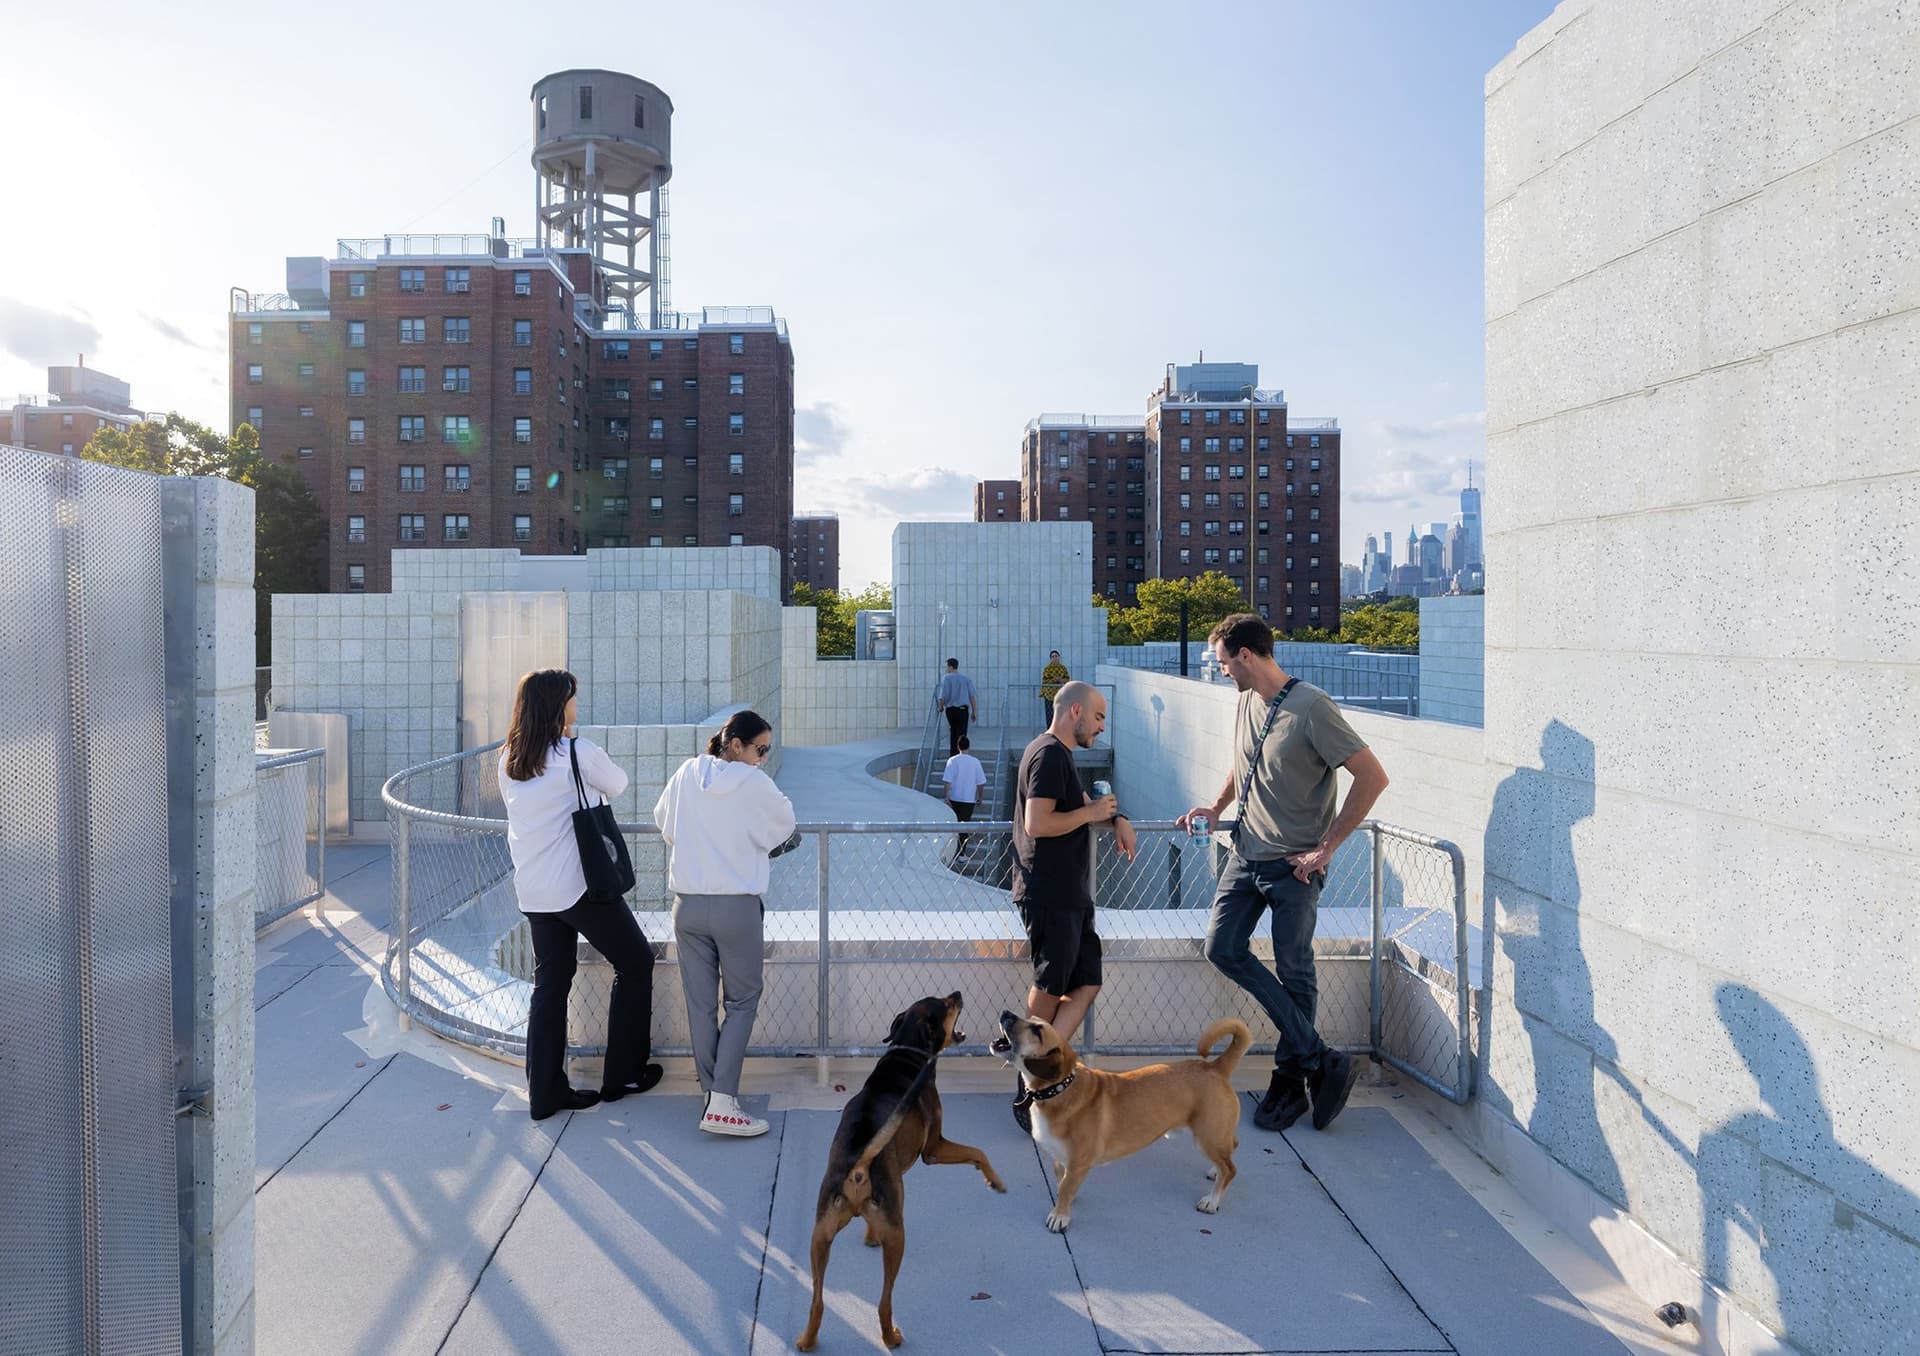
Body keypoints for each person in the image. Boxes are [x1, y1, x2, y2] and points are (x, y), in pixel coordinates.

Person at [1178, 614, 1390, 1134]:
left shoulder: (1312, 707)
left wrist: (1327, 848)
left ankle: (1291, 1076)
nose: (1223, 670)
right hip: (1246, 854)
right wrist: (1216, 805)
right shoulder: (1249, 700)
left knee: (1295, 968)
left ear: (1246, 656)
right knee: (1222, 947)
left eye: (1225, 662)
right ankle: (1319, 1055)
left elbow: (1372, 776)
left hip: (1295, 867)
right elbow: (1243, 761)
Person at [498, 669, 663, 1122]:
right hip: (581, 887)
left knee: (550, 986)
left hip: (534, 890)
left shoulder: (508, 757)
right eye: (572, 698)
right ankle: (623, 1075)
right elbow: (619, 783)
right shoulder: (577, 752)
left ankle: (545, 1093)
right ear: (558, 706)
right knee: (635, 962)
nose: (577, 704)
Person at [653, 709, 796, 1138]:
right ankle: (722, 1102)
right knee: (742, 1001)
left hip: (689, 905)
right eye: (761, 749)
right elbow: (785, 823)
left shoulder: (685, 773)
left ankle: (714, 1095)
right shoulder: (754, 783)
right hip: (736, 905)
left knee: (700, 1005)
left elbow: (665, 823)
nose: (764, 758)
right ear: (736, 744)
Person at [1009, 680, 1136, 1128]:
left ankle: (1042, 1068)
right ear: (1076, 712)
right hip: (1050, 892)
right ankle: (1028, 1084)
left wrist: (1115, 818)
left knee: (1086, 982)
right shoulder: (1047, 754)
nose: (1102, 727)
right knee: (1049, 986)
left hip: (1070, 895)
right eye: (1099, 717)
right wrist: (1094, 814)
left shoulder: (1059, 756)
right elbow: (1039, 822)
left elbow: (1085, 805)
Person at [941, 734, 987, 853]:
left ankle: (951, 851)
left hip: (954, 798)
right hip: (968, 800)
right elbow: (981, 783)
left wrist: (946, 797)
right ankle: (961, 853)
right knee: (964, 827)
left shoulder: (952, 760)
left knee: (953, 826)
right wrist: (980, 797)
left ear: (958, 746)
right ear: (969, 747)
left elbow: (947, 781)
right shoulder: (975, 762)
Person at [935, 657, 979, 757]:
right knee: (962, 733)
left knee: (953, 732)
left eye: (946, 667)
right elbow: (972, 696)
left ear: (951, 666)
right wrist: (973, 711)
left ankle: (953, 755)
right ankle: (963, 753)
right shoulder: (966, 679)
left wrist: (941, 707)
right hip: (963, 710)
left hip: (951, 710)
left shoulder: (946, 678)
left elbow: (942, 696)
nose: (946, 669)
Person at [1039, 650, 1069, 726]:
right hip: (1049, 695)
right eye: (1053, 657)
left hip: (1060, 695)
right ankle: (1049, 731)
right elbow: (1045, 681)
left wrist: (1061, 680)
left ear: (1059, 657)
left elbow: (1067, 679)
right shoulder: (1047, 669)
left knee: (1060, 714)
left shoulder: (1063, 669)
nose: (1055, 658)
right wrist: (1056, 679)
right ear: (1050, 659)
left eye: (1056, 656)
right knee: (1049, 715)